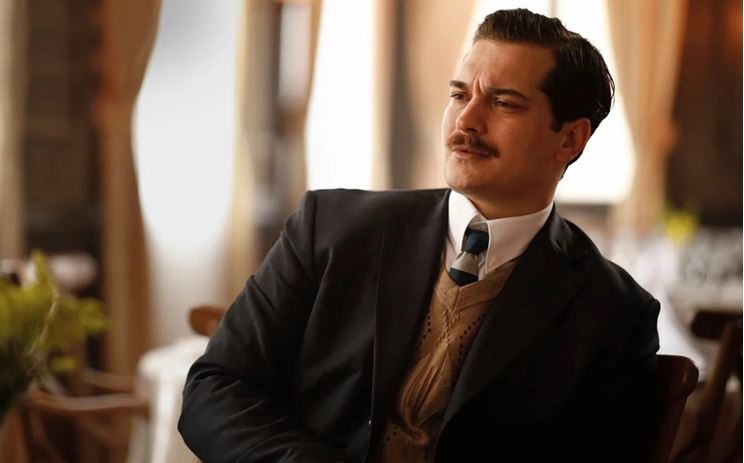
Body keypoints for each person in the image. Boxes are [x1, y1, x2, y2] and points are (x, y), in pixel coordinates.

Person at [179, 8, 660, 462]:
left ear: (570, 139)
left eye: (503, 103)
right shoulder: (328, 227)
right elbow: (215, 387)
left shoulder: (614, 311)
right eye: (459, 95)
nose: (466, 121)